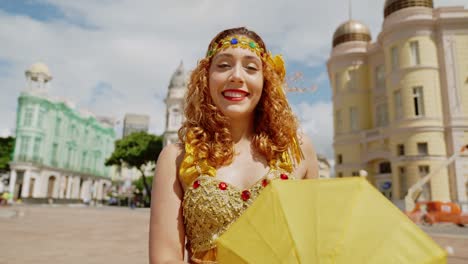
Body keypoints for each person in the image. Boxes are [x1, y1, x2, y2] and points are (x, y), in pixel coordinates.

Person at [149, 27, 318, 264]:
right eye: (224, 65)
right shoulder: (175, 157)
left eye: (251, 67)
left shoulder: (298, 149)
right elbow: (165, 259)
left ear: (266, 80)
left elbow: (311, 248)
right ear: (205, 78)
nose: (237, 76)